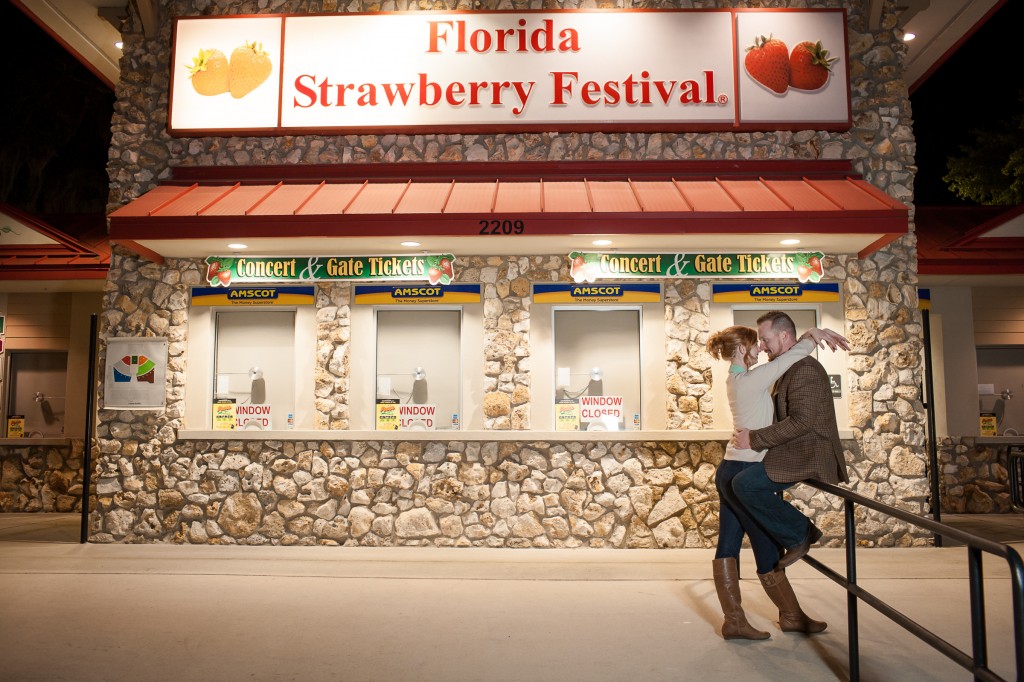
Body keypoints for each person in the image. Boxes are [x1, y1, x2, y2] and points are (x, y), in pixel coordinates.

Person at [706, 323, 848, 640]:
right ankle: (789, 615)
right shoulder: (752, 378)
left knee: (728, 543)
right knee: (765, 545)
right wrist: (812, 335)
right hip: (742, 470)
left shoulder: (738, 378)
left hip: (730, 468)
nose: (761, 349)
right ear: (742, 348)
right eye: (756, 344)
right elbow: (791, 356)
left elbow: (783, 361)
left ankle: (738, 621)